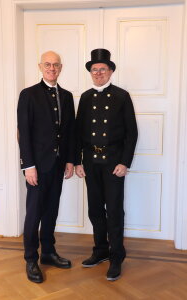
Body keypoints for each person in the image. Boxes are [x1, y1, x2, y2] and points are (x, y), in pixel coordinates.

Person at [75, 48, 138, 281]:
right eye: (94, 70)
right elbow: (78, 133)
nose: (98, 73)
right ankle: (100, 251)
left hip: (113, 164)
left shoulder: (122, 96)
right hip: (91, 163)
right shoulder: (85, 97)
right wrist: (79, 160)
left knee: (113, 211)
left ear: (110, 71)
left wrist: (125, 162)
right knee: (94, 210)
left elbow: (131, 133)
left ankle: (116, 256)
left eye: (102, 69)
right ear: (90, 73)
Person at [17, 51, 75, 283]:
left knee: (51, 210)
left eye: (56, 65)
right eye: (48, 64)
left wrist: (70, 160)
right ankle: (31, 258)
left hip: (58, 165)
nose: (52, 68)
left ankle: (49, 253)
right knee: (34, 214)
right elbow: (24, 132)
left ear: (61, 67)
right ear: (40, 66)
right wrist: (28, 165)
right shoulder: (28, 94)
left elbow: (70, 131)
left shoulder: (68, 96)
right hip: (37, 167)